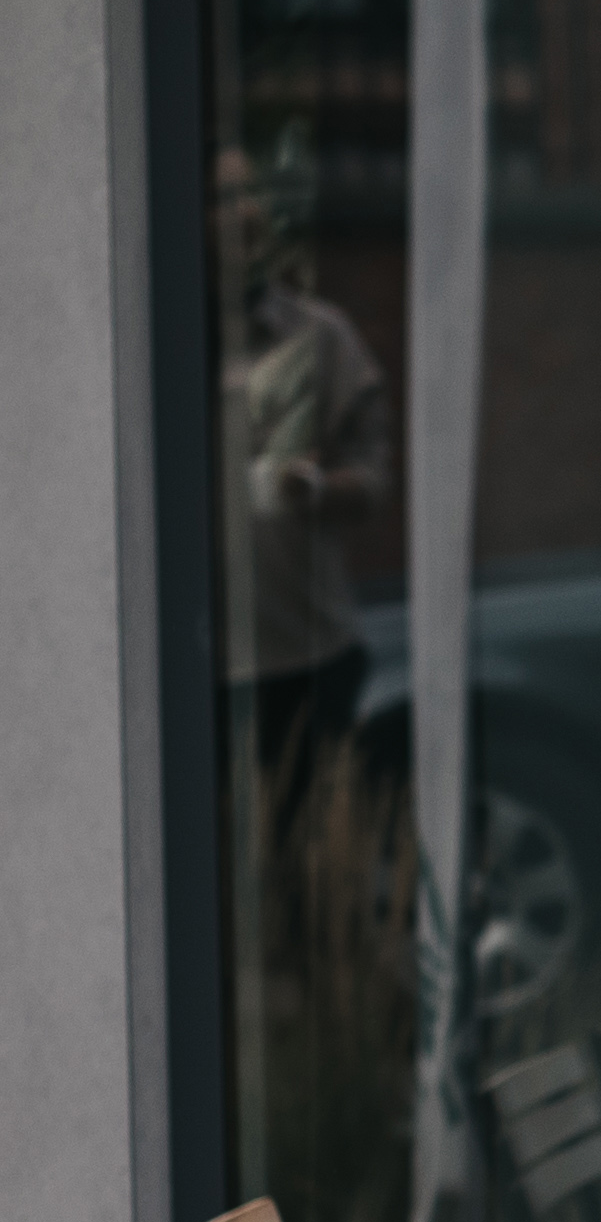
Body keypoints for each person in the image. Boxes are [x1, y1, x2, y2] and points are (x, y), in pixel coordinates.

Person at [212, 141, 394, 815]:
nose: (242, 212)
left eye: (247, 193)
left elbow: (374, 484)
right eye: (219, 198)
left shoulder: (318, 338)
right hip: (183, 677)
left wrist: (315, 489)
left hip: (304, 661)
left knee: (299, 886)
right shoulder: (144, 340)